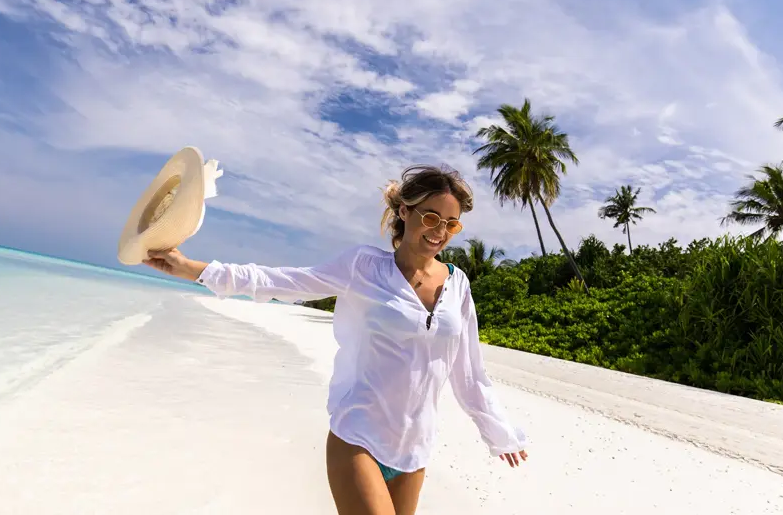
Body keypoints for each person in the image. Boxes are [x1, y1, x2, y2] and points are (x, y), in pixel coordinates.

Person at [142, 164, 528, 515]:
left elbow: (469, 372)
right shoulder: (364, 267)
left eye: (451, 223)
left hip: (415, 451)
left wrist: (499, 432)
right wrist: (194, 269)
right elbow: (284, 282)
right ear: (405, 212)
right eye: (431, 217)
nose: (440, 231)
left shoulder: (458, 285)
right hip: (358, 437)